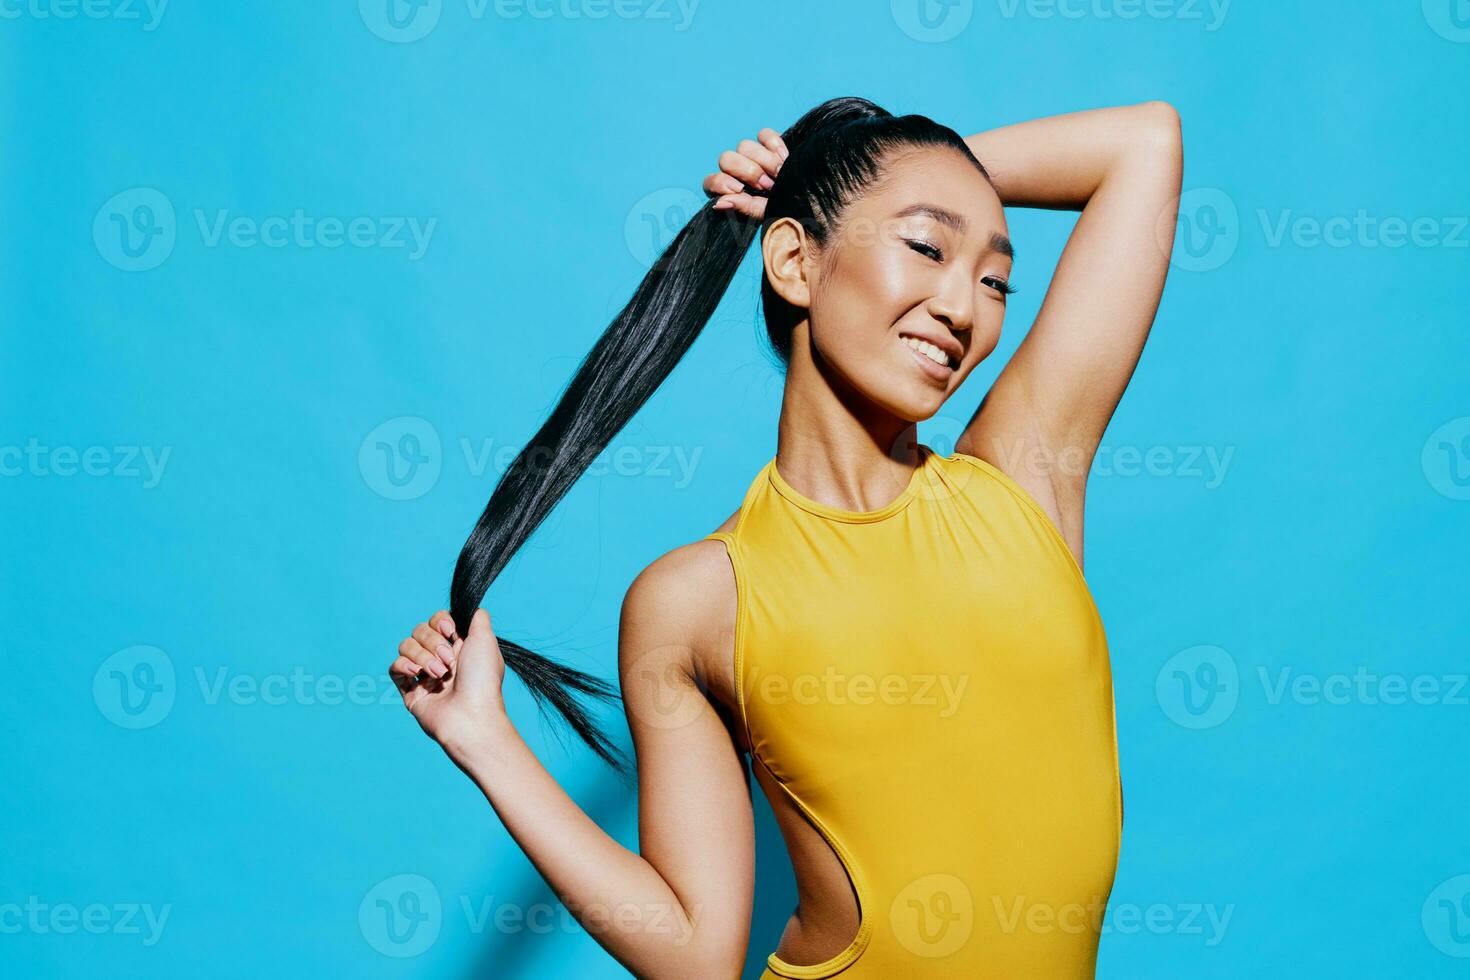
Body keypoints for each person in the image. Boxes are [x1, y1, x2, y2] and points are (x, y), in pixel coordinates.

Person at [388, 96, 1183, 978]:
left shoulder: (1022, 483)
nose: (963, 306)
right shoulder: (697, 599)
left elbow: (1144, 144)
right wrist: (484, 741)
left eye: (995, 281)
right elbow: (695, 956)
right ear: (796, 261)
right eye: (925, 246)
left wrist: (847, 169)